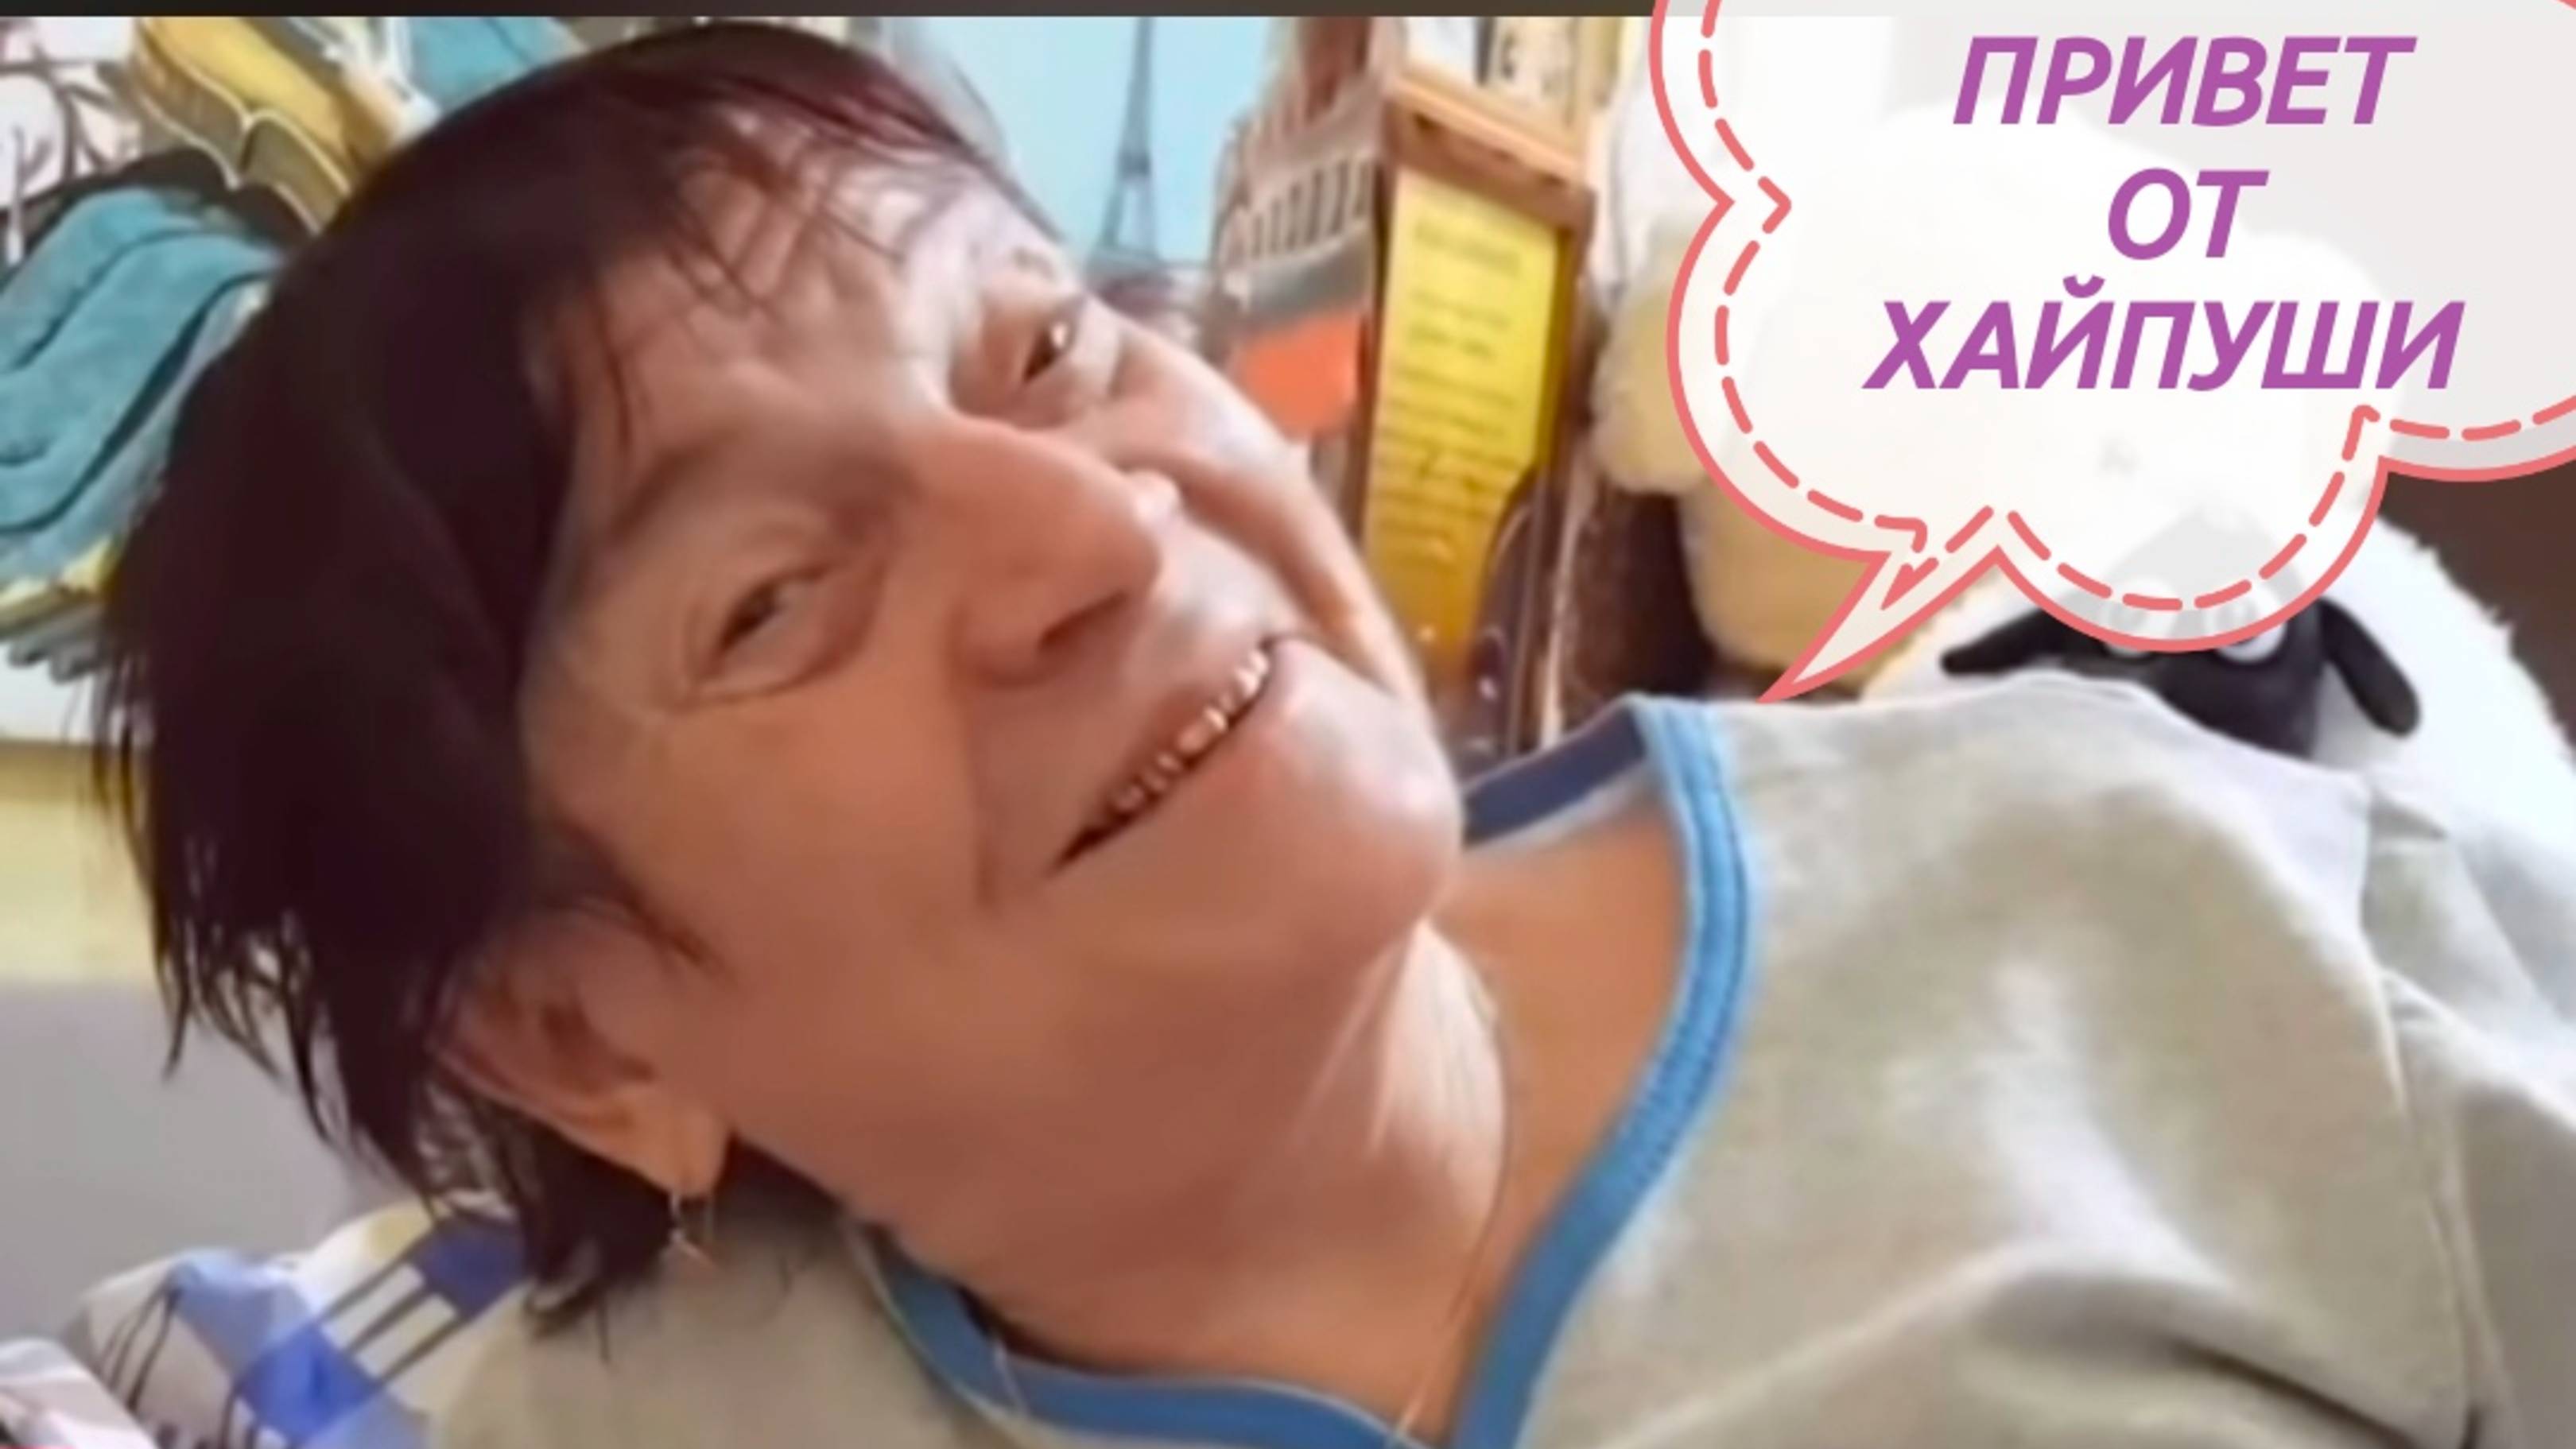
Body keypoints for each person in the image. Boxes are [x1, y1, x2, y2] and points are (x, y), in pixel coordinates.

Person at [81, 23, 2575, 1449]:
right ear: (577, 1032)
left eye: (1044, 347)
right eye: (772, 597)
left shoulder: (2199, 921)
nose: (1091, 527)